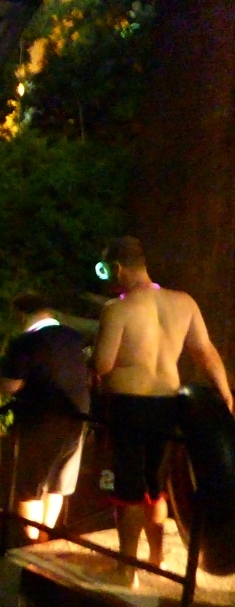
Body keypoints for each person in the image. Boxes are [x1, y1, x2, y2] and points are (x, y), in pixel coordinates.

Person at [93, 236, 233, 585]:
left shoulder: (117, 308)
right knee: (156, 487)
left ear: (119, 268)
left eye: (108, 271)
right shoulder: (183, 302)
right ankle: (156, 559)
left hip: (129, 406)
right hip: (167, 405)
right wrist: (226, 395)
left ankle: (126, 568)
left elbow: (103, 363)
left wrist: (88, 357)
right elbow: (206, 352)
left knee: (127, 490)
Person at [0, 292, 91, 543]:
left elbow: (10, 385)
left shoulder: (27, 341)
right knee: (58, 483)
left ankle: (30, 543)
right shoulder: (73, 337)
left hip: (41, 418)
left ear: (21, 315)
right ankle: (45, 538)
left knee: (30, 486)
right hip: (77, 415)